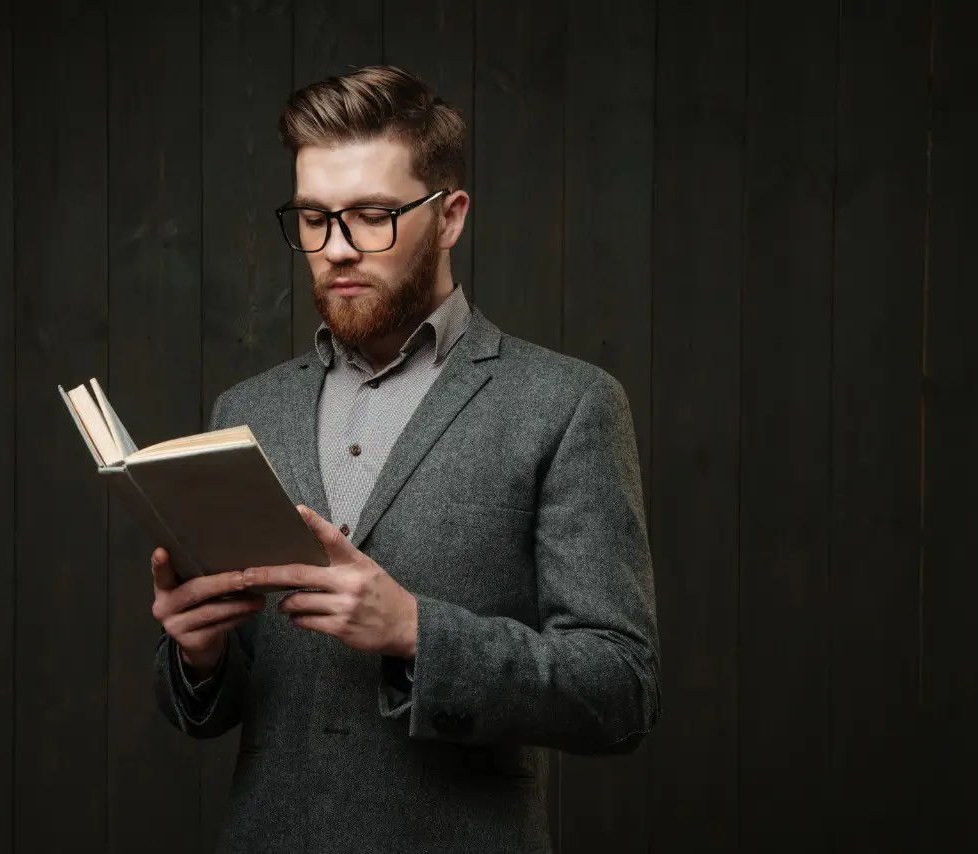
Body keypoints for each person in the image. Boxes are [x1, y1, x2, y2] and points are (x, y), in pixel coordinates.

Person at [150, 64, 661, 854]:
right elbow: (223, 702)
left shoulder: (567, 404)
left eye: (372, 216)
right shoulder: (247, 412)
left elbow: (622, 690)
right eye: (314, 219)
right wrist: (198, 653)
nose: (337, 248)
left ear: (449, 216)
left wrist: (419, 632)